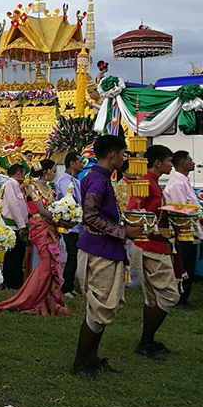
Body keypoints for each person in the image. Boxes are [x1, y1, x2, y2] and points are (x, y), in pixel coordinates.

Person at [72, 134, 142, 379]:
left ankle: (91, 359)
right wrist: (124, 231)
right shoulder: (97, 181)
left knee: (102, 307)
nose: (124, 159)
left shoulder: (101, 179)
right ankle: (81, 363)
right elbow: (89, 217)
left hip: (105, 248)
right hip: (98, 249)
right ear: (113, 154)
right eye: (123, 154)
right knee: (98, 307)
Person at [0, 160, 72, 316]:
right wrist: (59, 220)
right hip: (40, 227)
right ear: (45, 171)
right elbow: (41, 210)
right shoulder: (32, 187)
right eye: (53, 171)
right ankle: (30, 297)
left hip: (51, 227)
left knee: (50, 263)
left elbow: (54, 207)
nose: (55, 174)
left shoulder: (49, 188)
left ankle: (48, 297)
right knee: (45, 262)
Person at [126, 144, 181, 360]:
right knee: (169, 296)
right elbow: (135, 214)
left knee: (151, 298)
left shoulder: (151, 183)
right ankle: (145, 342)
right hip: (150, 246)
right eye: (169, 161)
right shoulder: (146, 184)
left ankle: (147, 341)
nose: (171, 165)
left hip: (151, 244)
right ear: (158, 163)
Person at [163, 149, 200, 307]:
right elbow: (181, 210)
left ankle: (183, 296)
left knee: (188, 264)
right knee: (184, 266)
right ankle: (180, 298)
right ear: (183, 163)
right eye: (190, 160)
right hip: (184, 232)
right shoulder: (178, 183)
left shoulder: (183, 181)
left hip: (190, 231)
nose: (193, 163)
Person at [55, 152, 84, 297]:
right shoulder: (65, 180)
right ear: (72, 163)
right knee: (72, 255)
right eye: (80, 162)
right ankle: (65, 288)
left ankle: (69, 285)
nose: (82, 165)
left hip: (76, 224)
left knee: (75, 255)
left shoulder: (74, 180)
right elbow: (69, 202)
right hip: (69, 225)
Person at [0, 164, 29, 288]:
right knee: (12, 255)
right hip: (13, 225)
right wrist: (21, 225)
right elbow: (13, 205)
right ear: (18, 173)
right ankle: (9, 281)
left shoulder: (16, 186)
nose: (24, 177)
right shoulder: (10, 184)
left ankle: (17, 281)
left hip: (18, 225)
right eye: (23, 174)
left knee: (19, 254)